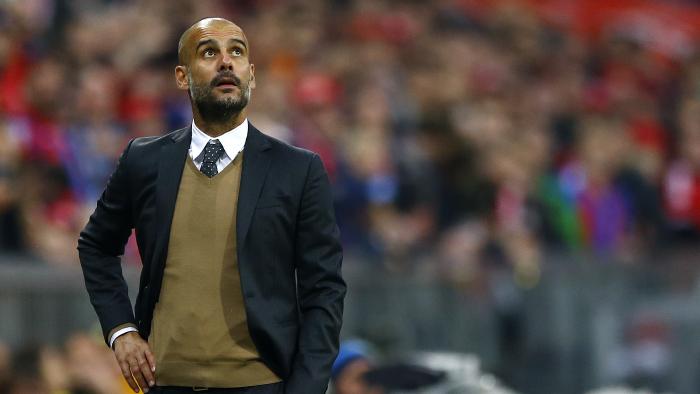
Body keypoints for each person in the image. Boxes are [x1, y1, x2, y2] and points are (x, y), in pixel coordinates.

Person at [77, 17, 346, 394]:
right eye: (209, 53)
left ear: (251, 76)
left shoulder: (299, 170)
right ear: (182, 77)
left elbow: (324, 291)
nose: (225, 62)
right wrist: (122, 330)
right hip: (166, 385)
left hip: (261, 385)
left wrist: (306, 388)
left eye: (236, 52)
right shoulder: (144, 160)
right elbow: (96, 245)